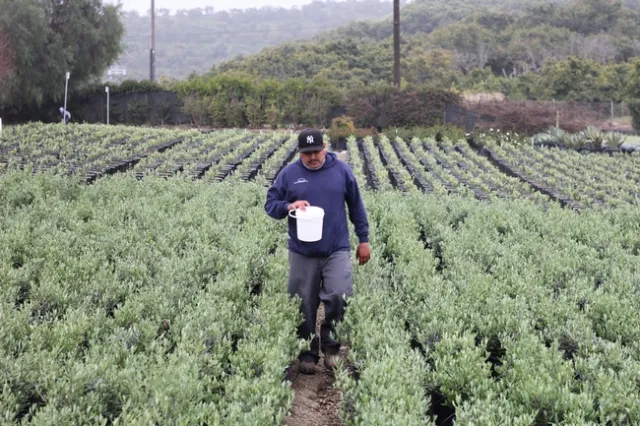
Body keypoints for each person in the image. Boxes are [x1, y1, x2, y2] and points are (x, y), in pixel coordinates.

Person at [265, 128, 371, 374]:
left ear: (325, 147)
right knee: (303, 303)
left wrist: (363, 239)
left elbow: (356, 206)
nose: (312, 157)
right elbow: (270, 205)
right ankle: (307, 352)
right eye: (306, 153)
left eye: (316, 151)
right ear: (299, 153)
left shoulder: (341, 171)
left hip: (336, 247)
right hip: (302, 250)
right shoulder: (289, 174)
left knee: (339, 295)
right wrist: (289, 205)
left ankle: (331, 349)